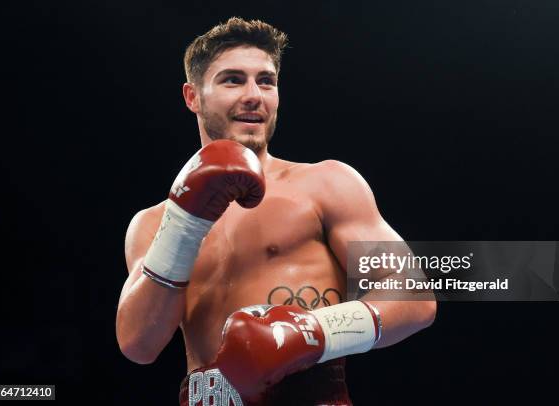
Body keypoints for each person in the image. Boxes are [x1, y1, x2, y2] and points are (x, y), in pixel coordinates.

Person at [116, 17, 437, 406]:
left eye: (266, 81)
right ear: (192, 97)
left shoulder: (326, 184)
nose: (254, 95)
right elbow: (138, 344)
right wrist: (184, 222)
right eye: (233, 80)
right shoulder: (153, 223)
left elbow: (415, 294)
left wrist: (313, 331)